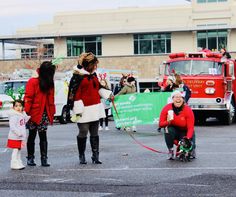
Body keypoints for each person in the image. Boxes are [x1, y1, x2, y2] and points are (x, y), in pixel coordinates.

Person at [67, 52, 112, 165]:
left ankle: (95, 155)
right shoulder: (77, 77)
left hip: (95, 108)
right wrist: (77, 110)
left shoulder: (94, 75)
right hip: (83, 109)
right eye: (94, 64)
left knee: (95, 133)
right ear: (88, 65)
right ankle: (81, 155)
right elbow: (74, 94)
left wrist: (108, 95)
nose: (96, 67)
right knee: (83, 132)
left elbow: (98, 88)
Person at [24, 61, 56, 167]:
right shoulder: (33, 81)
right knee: (33, 135)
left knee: (42, 136)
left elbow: (51, 99)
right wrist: (27, 113)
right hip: (33, 113)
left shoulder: (50, 83)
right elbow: (28, 98)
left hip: (43, 113)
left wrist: (52, 111)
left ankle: (43, 158)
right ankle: (31, 158)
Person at [159, 90, 196, 160]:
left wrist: (187, 139)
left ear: (183, 99)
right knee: (167, 129)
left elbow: (191, 128)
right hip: (174, 131)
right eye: (176, 97)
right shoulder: (167, 108)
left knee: (187, 152)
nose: (178, 99)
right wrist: (168, 121)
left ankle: (191, 149)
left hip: (184, 132)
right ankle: (171, 150)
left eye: (180, 97)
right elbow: (160, 124)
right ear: (172, 99)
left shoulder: (188, 110)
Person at [7, 99, 30, 170]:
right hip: (15, 136)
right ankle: (13, 163)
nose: (18, 108)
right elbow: (12, 126)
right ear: (13, 107)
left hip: (20, 137)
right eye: (16, 106)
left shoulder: (21, 114)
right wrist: (18, 133)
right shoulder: (14, 116)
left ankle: (18, 162)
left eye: (20, 106)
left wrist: (25, 115)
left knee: (19, 150)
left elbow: (23, 122)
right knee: (16, 150)